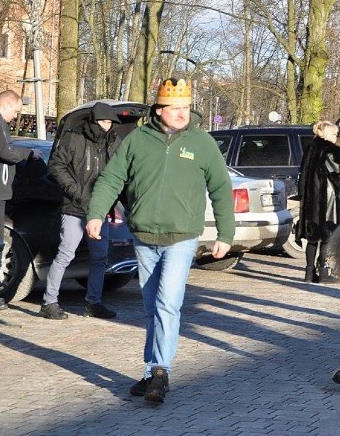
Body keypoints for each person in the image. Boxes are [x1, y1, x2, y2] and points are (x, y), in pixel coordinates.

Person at [85, 78, 235, 404]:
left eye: (185, 107)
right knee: (152, 307)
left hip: (181, 238)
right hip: (143, 237)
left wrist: (225, 234)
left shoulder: (202, 142)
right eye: (175, 108)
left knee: (168, 303)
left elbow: (221, 188)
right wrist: (96, 213)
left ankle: (161, 371)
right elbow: (112, 178)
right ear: (159, 109)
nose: (182, 113)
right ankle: (149, 371)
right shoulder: (138, 139)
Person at [40, 103, 123, 320]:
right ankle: (49, 303)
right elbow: (56, 165)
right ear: (95, 121)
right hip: (74, 208)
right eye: (104, 121)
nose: (108, 126)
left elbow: (118, 172)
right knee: (66, 254)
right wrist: (76, 191)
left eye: (110, 122)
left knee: (100, 257)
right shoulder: (74, 138)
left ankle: (93, 303)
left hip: (99, 209)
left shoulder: (113, 141)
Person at [0, 90, 40, 311]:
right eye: (16, 111)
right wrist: (28, 153)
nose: (15, 117)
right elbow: (4, 151)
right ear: (7, 105)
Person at [295, 119, 340, 283]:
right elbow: (337, 175)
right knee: (327, 234)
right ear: (330, 134)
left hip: (311, 199)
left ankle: (309, 273)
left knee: (312, 237)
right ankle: (323, 271)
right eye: (335, 134)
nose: (337, 137)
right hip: (327, 198)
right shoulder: (331, 151)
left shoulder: (311, 148)